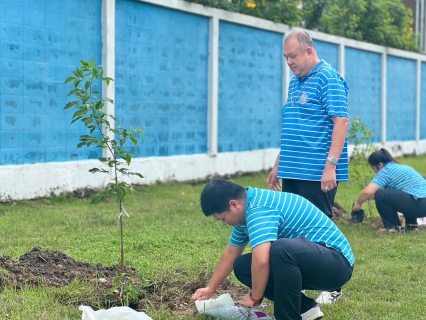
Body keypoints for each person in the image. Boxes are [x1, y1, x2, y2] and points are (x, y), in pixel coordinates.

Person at [192, 179, 354, 320]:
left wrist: (254, 297)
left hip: (337, 264)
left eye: (223, 218)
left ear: (234, 204)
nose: (224, 223)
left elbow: (261, 260)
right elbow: (231, 253)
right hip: (310, 262)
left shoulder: (259, 209)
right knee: (242, 266)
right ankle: (305, 309)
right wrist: (210, 288)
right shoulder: (246, 212)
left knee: (281, 249)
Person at [267, 30, 350, 304]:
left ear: (309, 51)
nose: (289, 61)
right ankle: (296, 285)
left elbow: (341, 123)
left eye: (293, 56)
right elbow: (293, 127)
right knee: (292, 229)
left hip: (316, 171)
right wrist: (279, 164)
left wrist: (331, 167)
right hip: (293, 168)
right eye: (286, 57)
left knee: (319, 229)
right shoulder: (295, 83)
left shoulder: (329, 78)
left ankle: (333, 285)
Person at [352, 148, 426, 234]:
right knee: (406, 193)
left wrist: (358, 204)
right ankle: (411, 225)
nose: (375, 172)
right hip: (421, 203)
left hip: (420, 204)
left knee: (381, 194)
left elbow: (367, 192)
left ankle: (393, 227)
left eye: (374, 169)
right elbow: (400, 194)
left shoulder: (386, 171)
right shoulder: (398, 167)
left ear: (380, 165)